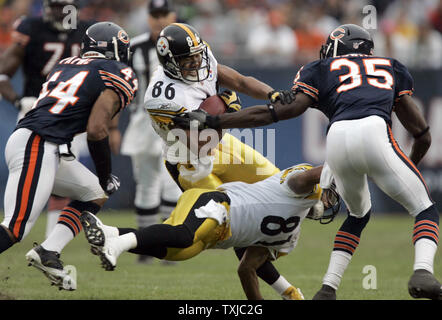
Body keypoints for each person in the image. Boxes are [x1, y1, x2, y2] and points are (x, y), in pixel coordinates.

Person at [174, 24, 441, 300]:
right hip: (375, 131)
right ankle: (422, 270)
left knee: (357, 216)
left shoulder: (319, 69)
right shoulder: (391, 66)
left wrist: (214, 120)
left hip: (336, 139)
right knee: (425, 209)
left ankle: (328, 289)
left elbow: (276, 113)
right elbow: (421, 132)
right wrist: (407, 165)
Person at [145, 22, 301, 299]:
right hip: (190, 159)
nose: (196, 62)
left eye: (197, 56)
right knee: (233, 221)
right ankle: (127, 240)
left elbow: (239, 81)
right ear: (169, 63)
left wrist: (271, 94)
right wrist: (227, 108)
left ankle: (287, 291)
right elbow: (202, 142)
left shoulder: (203, 60)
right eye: (187, 59)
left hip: (222, 144)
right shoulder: (162, 97)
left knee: (281, 189)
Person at [0, 21, 137, 291]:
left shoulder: (66, 64)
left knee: (94, 192)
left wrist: (102, 179)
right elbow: (97, 129)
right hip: (38, 144)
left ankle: (48, 251)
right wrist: (106, 173)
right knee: (15, 228)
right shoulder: (118, 71)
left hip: (37, 141)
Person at [80, 163, 340, 300]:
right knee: (183, 235)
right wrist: (338, 167)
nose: (328, 203)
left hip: (216, 235)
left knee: (177, 251)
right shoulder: (302, 183)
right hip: (216, 203)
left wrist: (289, 293)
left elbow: (248, 268)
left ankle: (109, 233)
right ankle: (116, 245)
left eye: (331, 199)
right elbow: (302, 179)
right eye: (329, 194)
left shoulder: (290, 235)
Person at [0, 0, 93, 238]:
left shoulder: (87, 32)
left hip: (71, 112)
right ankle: (19, 229)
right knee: (44, 178)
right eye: (53, 5)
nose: (58, 11)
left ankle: (50, 241)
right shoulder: (31, 28)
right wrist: (17, 100)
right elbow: (3, 73)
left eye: (63, 6)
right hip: (37, 109)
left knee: (74, 182)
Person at [119, 0, 182, 264]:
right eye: (154, 15)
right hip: (142, 119)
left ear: (172, 15)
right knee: (145, 183)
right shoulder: (134, 47)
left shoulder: (184, 43)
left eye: (163, 14)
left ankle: (168, 245)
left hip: (177, 119)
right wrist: (112, 125)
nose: (158, 19)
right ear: (148, 17)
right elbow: (118, 85)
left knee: (172, 183)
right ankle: (146, 246)